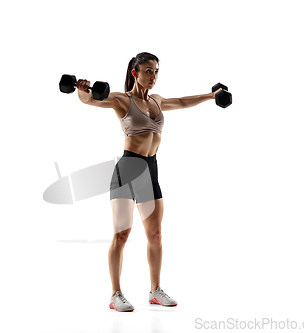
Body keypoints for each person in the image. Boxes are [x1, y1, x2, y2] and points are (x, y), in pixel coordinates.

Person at [76, 52, 223, 312]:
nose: (153, 76)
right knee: (121, 235)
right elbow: (91, 101)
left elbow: (181, 101)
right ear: (135, 73)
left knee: (155, 234)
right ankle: (115, 294)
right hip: (128, 169)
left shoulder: (156, 100)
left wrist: (210, 96)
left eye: (156, 71)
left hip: (151, 170)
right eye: (148, 71)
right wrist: (83, 90)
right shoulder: (123, 100)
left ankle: (155, 290)